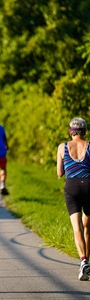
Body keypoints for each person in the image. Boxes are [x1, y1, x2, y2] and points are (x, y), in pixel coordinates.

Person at [57, 117, 90, 281]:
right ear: (84, 131)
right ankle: (87, 261)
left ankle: (83, 262)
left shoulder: (62, 147)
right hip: (89, 186)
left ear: (71, 132)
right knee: (87, 227)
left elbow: (59, 173)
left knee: (77, 228)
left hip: (72, 187)